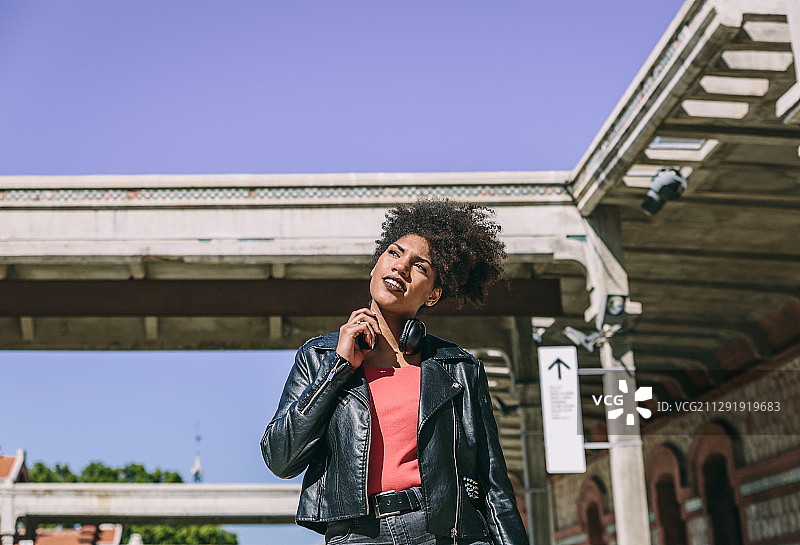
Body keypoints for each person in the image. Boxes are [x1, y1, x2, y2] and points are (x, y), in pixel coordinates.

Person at [261, 199, 529, 545]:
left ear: (433, 295)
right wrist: (338, 368)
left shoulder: (459, 369)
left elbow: (494, 483)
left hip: (442, 531)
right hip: (357, 534)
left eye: (420, 266)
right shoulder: (318, 357)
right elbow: (281, 458)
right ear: (375, 266)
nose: (401, 267)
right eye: (394, 253)